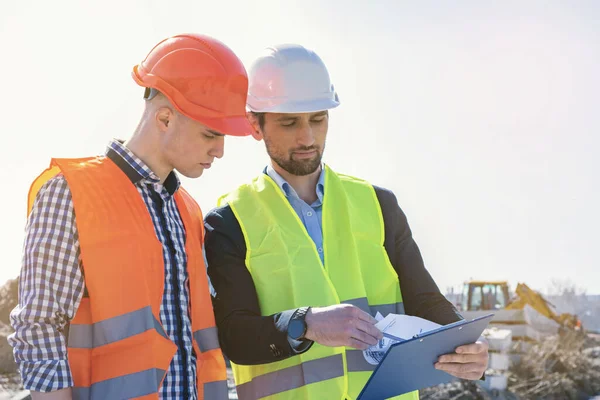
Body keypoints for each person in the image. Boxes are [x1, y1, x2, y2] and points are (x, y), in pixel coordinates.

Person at [204, 44, 489, 400]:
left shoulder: (378, 204)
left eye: (318, 119)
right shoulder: (229, 222)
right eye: (290, 122)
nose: (307, 137)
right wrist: (305, 324)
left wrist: (465, 346)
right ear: (255, 125)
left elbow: (425, 302)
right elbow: (236, 338)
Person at [8, 33, 252, 400]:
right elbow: (39, 326)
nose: (219, 150)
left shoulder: (186, 209)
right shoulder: (70, 194)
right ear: (165, 119)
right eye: (210, 134)